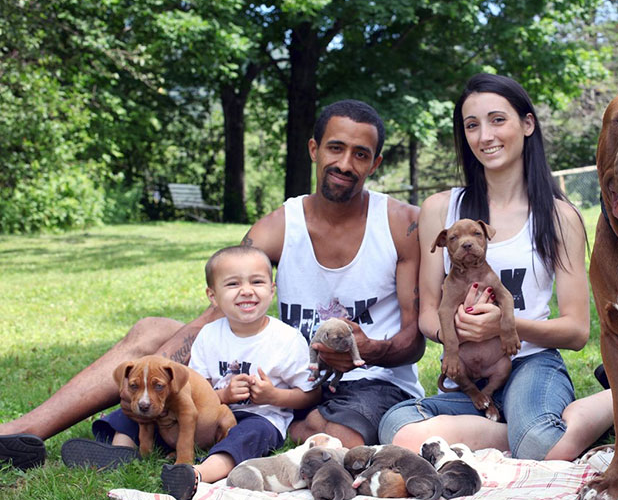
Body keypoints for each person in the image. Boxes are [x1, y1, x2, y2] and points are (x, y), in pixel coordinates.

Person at [0, 99, 424, 469]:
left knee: (326, 433)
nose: (345, 164)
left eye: (360, 154)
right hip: (283, 371)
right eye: (335, 148)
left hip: (366, 382)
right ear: (314, 149)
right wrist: (153, 372)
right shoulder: (280, 226)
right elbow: (219, 309)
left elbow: (414, 341)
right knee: (151, 331)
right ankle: (25, 432)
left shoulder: (400, 224)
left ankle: (162, 432)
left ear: (375, 164)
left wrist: (371, 350)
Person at [378, 73, 613, 461]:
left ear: (527, 124)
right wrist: (459, 331)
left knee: (538, 442)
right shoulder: (441, 210)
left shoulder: (558, 216)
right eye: (472, 125)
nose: (485, 136)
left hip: (531, 361)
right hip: (470, 371)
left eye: (497, 120)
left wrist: (504, 324)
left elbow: (576, 331)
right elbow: (428, 315)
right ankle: (516, 432)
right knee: (397, 427)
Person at [64, 246, 321, 500]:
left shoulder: (287, 339)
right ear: (213, 296)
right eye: (233, 284)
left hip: (261, 416)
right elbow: (195, 392)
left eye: (257, 282)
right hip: (206, 412)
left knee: (248, 435)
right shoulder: (209, 335)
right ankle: (122, 450)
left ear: (272, 290)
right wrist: (224, 395)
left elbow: (310, 395)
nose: (246, 290)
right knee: (142, 405)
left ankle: (198, 473)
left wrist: (273, 396)